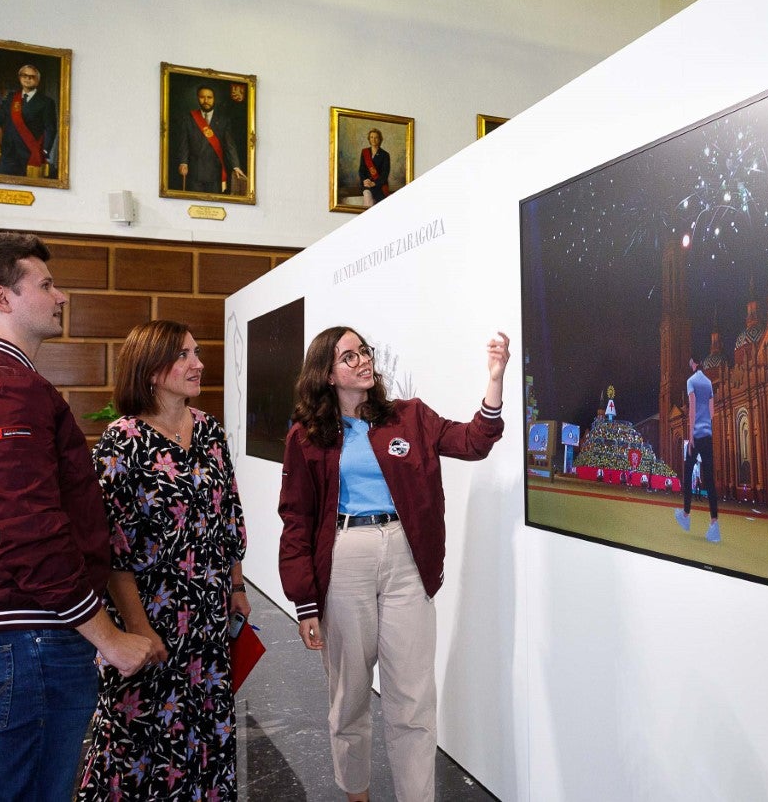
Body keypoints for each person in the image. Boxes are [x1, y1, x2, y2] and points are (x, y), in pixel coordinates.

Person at [0, 232, 153, 801]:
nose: (61, 296)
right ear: (1, 298)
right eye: (46, 284)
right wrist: (108, 637)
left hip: (28, 632)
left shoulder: (1, 381)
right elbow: (30, 529)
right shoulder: (2, 385)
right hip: (25, 635)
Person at [278, 327, 509, 802]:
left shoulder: (410, 417)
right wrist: (304, 602)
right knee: (350, 696)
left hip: (406, 558)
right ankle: (356, 794)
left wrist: (495, 380)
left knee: (412, 700)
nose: (362, 360)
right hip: (344, 558)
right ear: (326, 373)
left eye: (364, 351)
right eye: (349, 356)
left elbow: (473, 441)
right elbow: (296, 519)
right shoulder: (307, 436)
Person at [79, 320, 249, 800]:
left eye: (196, 353)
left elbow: (230, 513)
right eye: (184, 356)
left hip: (209, 621)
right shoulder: (122, 440)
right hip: (150, 618)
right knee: (136, 740)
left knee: (206, 735)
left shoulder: (210, 431)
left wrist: (236, 587)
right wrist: (138, 629)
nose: (198, 364)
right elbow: (113, 549)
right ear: (152, 370)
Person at [0, 64, 58, 177]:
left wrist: (45, 150)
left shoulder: (46, 102)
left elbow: (50, 128)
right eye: (25, 75)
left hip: (31, 153)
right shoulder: (11, 97)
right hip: (8, 153)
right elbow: (0, 116)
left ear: (38, 80)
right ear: (20, 77)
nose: (28, 79)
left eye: (32, 76)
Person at [674, 352, 721, 543]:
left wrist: (692, 435)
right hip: (708, 435)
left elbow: (692, 408)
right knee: (709, 480)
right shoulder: (709, 383)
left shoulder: (691, 381)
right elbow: (711, 412)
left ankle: (685, 516)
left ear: (693, 363)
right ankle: (714, 524)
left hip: (697, 435)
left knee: (687, 473)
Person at [175, 85, 245, 194]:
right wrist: (183, 162)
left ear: (214, 99)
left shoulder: (223, 120)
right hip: (194, 172)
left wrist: (235, 166)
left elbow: (230, 145)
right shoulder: (188, 118)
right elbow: (184, 144)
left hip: (215, 174)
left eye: (209, 97)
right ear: (197, 98)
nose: (206, 100)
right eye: (202, 97)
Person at [358, 128, 392, 205]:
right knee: (367, 195)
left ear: (380, 139)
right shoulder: (365, 152)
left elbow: (385, 173)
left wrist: (374, 183)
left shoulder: (385, 155)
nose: (374, 139)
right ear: (369, 139)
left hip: (380, 186)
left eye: (376, 137)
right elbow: (361, 170)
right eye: (371, 137)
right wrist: (365, 180)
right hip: (367, 185)